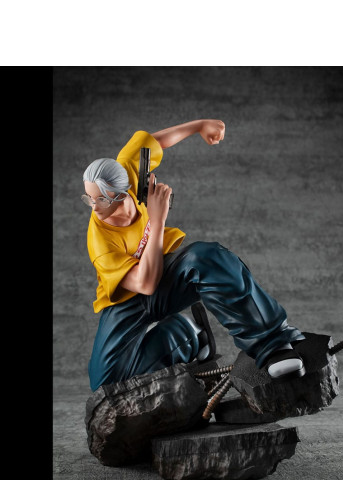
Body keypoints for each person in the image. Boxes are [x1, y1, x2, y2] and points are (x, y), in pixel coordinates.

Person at [83, 119, 306, 392]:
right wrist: (157, 219)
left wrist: (200, 125)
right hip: (127, 299)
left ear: (120, 192)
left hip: (162, 275)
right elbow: (145, 284)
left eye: (100, 199)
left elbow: (154, 140)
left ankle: (273, 345)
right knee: (107, 386)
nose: (94, 207)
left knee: (206, 257)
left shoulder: (128, 169)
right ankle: (188, 336)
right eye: (88, 198)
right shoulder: (100, 240)